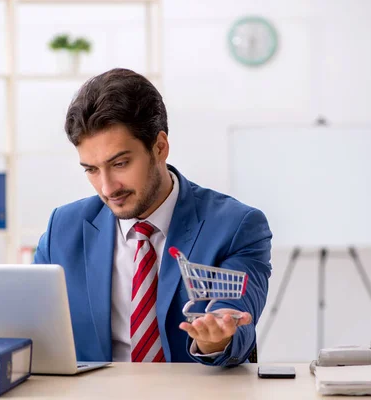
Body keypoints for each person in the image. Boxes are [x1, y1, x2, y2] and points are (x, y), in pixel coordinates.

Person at [34, 68, 272, 366]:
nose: (107, 188)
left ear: (159, 147)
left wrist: (215, 338)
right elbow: (30, 321)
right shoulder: (63, 229)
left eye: (120, 163)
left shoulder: (236, 226)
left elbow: (237, 316)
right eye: (91, 170)